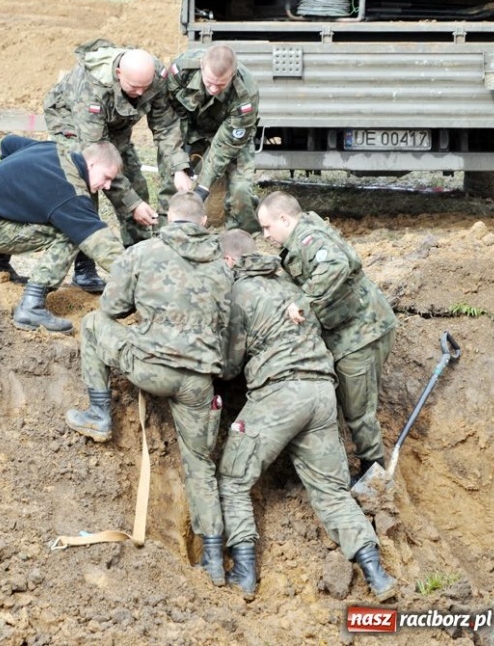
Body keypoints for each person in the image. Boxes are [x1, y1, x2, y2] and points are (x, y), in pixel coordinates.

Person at [217, 229, 397, 603]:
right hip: (321, 393)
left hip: (280, 395)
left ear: (230, 261)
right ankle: (377, 575)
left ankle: (245, 574)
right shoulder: (290, 283)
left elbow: (230, 365)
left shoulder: (238, 292)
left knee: (234, 480)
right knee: (332, 493)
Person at [65, 191, 233, 585]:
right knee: (201, 467)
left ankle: (99, 413)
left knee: (91, 326)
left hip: (151, 368)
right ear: (204, 223)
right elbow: (225, 324)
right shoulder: (224, 267)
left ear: (166, 219)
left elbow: (110, 309)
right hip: (198, 382)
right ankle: (212, 560)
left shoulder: (143, 253)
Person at [256, 191, 397, 484]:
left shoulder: (309, 239)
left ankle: (374, 478)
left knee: (359, 413)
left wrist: (304, 302)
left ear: (284, 218)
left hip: (361, 335)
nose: (264, 234)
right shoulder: (300, 239)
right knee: (349, 407)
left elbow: (335, 264)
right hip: (348, 332)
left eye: (267, 227)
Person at [43, 38, 192, 293]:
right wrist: (131, 203)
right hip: (72, 126)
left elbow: (165, 125)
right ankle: (84, 268)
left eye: (145, 88)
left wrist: (179, 167)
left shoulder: (152, 77)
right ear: (118, 73)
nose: (141, 94)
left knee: (136, 185)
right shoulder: (90, 88)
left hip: (115, 131)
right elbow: (94, 151)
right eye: (134, 87)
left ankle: (138, 263)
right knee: (87, 192)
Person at [0, 135, 125, 334]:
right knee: (69, 234)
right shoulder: (69, 190)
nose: (106, 186)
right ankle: (32, 306)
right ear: (93, 163)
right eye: (106, 178)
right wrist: (138, 276)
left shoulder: (54, 149)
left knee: (37, 207)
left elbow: (8, 143)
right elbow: (100, 243)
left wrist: (9, 187)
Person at [166, 44, 260, 233]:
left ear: (233, 74)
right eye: (209, 82)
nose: (214, 89)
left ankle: (242, 238)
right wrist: (179, 165)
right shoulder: (180, 72)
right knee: (170, 179)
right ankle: (167, 231)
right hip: (191, 129)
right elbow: (170, 121)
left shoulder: (245, 94)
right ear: (202, 66)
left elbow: (224, 146)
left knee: (241, 192)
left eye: (221, 84)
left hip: (232, 135)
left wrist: (202, 188)